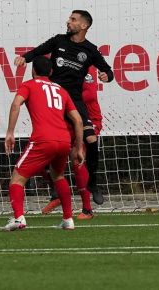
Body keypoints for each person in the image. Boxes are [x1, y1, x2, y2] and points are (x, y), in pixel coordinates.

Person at [14, 10, 113, 206]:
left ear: (84, 25)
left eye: (73, 20)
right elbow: (38, 51)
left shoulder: (90, 50)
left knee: (91, 139)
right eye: (70, 19)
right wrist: (24, 58)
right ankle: (56, 188)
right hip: (56, 99)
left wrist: (106, 77)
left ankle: (93, 182)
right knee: (49, 146)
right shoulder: (59, 40)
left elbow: (108, 70)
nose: (69, 22)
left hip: (74, 100)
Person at [4, 56, 85, 231]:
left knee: (17, 178)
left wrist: (10, 132)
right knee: (58, 176)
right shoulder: (61, 90)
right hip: (64, 140)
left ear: (33, 71)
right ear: (51, 72)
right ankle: (68, 219)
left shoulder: (29, 85)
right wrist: (78, 148)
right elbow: (78, 120)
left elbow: (16, 104)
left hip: (43, 139)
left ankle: (19, 218)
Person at [41, 69, 102, 219]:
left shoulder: (87, 64)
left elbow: (90, 95)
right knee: (44, 156)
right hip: (66, 119)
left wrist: (65, 96)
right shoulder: (57, 61)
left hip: (88, 118)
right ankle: (57, 193)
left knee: (77, 159)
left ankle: (87, 209)